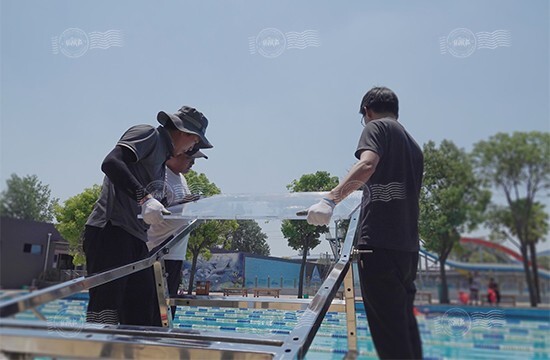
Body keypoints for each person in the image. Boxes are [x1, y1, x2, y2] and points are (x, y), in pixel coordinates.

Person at [306, 87, 423, 359]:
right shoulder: (414, 146)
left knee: (389, 336)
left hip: (379, 245)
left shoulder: (377, 127)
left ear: (367, 111)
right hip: (407, 249)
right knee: (404, 327)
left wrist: (331, 200)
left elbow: (367, 164)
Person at [83, 106, 212, 326]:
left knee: (142, 311)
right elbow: (111, 163)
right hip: (111, 231)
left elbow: (154, 202)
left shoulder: (162, 159)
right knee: (106, 312)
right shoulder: (149, 134)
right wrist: (145, 198)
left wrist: (175, 206)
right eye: (195, 142)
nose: (192, 148)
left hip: (136, 238)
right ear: (185, 133)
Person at [147, 149, 207, 318]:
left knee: (169, 307)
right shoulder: (160, 176)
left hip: (176, 254)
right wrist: (185, 204)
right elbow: (154, 213)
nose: (192, 163)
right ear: (173, 154)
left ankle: (163, 340)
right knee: (154, 309)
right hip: (159, 251)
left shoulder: (181, 178)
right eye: (189, 157)